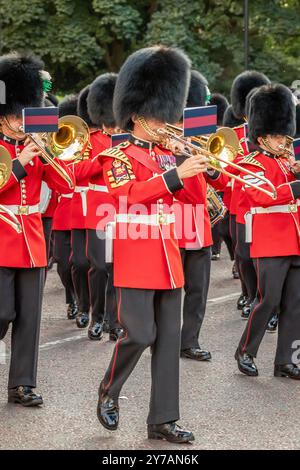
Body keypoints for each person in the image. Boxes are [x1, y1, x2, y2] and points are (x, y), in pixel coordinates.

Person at [96, 45, 210, 443]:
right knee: (139, 334)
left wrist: (192, 164)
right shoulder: (118, 155)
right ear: (139, 113)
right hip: (135, 251)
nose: (167, 121)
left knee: (166, 344)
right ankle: (109, 389)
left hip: (169, 255)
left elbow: (194, 201)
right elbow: (125, 194)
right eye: (160, 114)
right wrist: (175, 176)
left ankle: (163, 419)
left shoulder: (169, 154)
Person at [0, 52, 74, 405]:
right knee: (3, 312)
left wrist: (51, 155)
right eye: (15, 115)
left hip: (31, 239)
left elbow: (66, 186)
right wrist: (19, 162)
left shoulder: (36, 145)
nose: (20, 121)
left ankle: (21, 384)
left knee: (30, 317)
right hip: (2, 238)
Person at [235, 83, 300, 379]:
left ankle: (287, 359)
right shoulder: (252, 163)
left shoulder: (288, 163)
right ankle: (246, 350)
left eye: (284, 134)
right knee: (268, 300)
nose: (283, 140)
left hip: (295, 239)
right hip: (271, 239)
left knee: (295, 303)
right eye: (277, 135)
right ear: (262, 136)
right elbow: (264, 196)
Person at [85, 73, 122, 341]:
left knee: (117, 267)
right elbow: (79, 172)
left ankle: (113, 320)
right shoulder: (89, 139)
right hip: (98, 208)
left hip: (122, 208)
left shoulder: (128, 137)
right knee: (99, 266)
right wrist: (102, 159)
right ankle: (96, 316)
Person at [52, 95, 79, 319]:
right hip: (62, 214)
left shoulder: (84, 146)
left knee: (80, 263)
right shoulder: (55, 148)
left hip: (83, 211)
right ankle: (71, 296)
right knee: (62, 262)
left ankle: (79, 300)